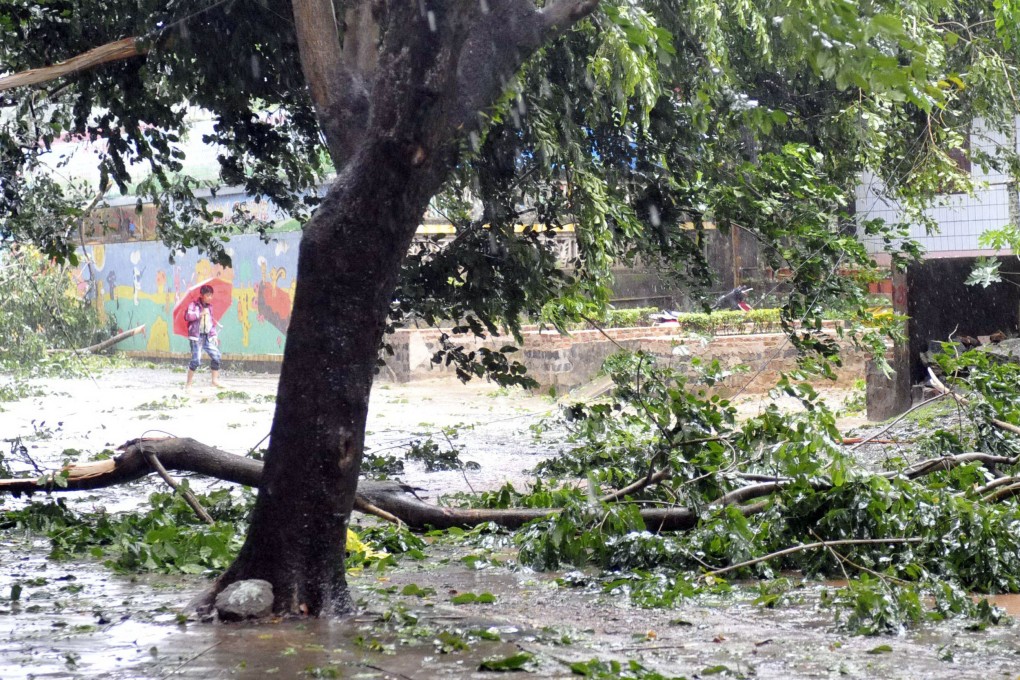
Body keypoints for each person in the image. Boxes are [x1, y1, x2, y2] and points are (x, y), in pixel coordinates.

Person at [184, 284, 224, 389]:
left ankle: (214, 380)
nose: (210, 297)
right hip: (196, 337)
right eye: (208, 295)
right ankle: (188, 384)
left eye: (211, 295)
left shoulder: (209, 307)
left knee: (216, 356)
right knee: (196, 360)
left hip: (206, 337)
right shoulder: (194, 305)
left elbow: (211, 323)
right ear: (202, 295)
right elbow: (187, 316)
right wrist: (199, 314)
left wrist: (214, 335)